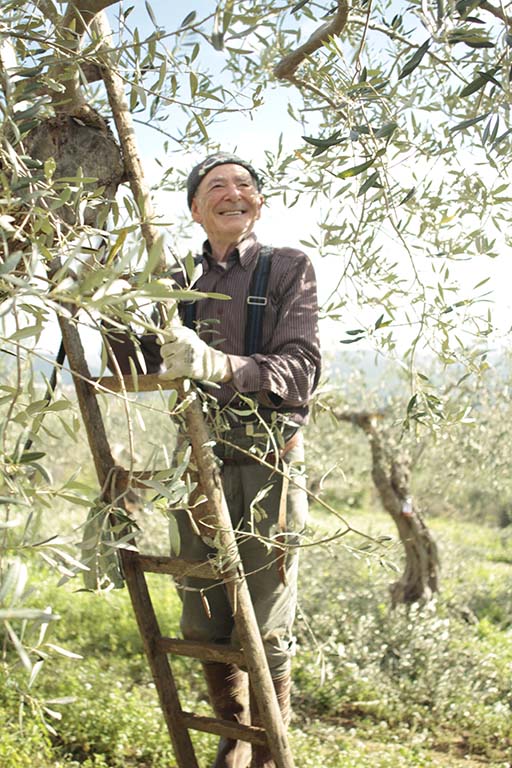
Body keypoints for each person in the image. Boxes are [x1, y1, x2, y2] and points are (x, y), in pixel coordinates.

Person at [107, 152, 321, 768]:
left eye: (246, 186)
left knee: (266, 621)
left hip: (267, 460)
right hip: (196, 457)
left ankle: (267, 754)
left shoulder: (287, 268)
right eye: (217, 186)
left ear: (259, 204)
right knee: (203, 619)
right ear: (195, 209)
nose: (235, 193)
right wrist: (111, 306)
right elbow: (133, 365)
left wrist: (217, 364)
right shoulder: (172, 278)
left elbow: (301, 370)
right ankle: (234, 734)